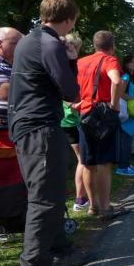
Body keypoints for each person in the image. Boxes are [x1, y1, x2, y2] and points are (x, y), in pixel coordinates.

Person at [8, 0, 84, 266]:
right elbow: (70, 92)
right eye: (74, 21)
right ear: (69, 19)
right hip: (39, 126)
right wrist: (72, 60)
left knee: (50, 192)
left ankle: (61, 249)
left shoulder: (29, 40)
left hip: (29, 124)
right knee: (45, 197)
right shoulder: (51, 44)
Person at [76, 30, 127, 221]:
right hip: (103, 115)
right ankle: (105, 207)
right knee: (104, 163)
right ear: (112, 47)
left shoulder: (81, 62)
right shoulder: (110, 60)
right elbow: (116, 81)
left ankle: (93, 206)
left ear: (94, 45)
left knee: (88, 163)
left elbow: (72, 87)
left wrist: (77, 103)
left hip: (85, 114)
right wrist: (114, 105)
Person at [59, 33, 89, 211]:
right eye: (74, 47)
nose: (76, 51)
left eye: (77, 47)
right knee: (83, 159)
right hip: (70, 120)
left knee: (65, 161)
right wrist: (74, 104)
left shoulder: (59, 66)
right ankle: (80, 199)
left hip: (62, 119)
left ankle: (74, 196)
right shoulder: (67, 68)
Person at [116, 55, 134, 177]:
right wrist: (133, 100)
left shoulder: (130, 77)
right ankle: (123, 167)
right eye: (132, 62)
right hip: (125, 112)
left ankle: (126, 164)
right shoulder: (125, 76)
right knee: (125, 141)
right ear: (126, 64)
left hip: (129, 112)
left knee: (128, 139)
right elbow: (119, 93)